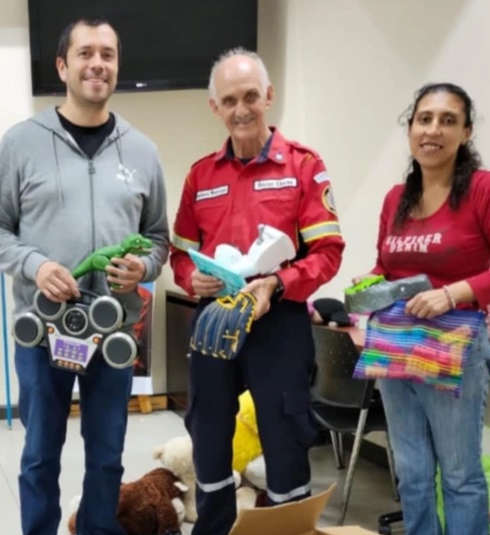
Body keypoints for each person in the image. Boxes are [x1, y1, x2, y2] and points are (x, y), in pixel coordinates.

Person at [0, 17, 170, 535]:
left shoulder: (143, 151)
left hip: (113, 336)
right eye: (85, 53)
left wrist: (143, 267)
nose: (97, 64)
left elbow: (157, 238)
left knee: (106, 456)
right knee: (41, 454)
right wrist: (37, 265)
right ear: (63, 65)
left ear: (117, 66)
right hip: (42, 332)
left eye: (107, 54)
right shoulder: (21, 143)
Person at [169, 47, 345, 535]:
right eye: (229, 100)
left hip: (279, 321)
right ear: (215, 108)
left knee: (285, 435)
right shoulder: (200, 175)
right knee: (207, 433)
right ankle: (214, 527)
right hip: (215, 320)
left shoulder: (305, 166)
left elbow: (328, 252)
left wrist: (279, 282)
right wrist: (190, 278)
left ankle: (287, 529)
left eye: (250, 96)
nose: (241, 109)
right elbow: (180, 254)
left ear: (269, 96)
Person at [354, 83, 490, 535]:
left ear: (466, 132)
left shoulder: (485, 190)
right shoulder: (396, 198)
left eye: (448, 120)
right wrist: (370, 283)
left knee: (459, 476)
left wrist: (454, 293)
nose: (433, 130)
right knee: (412, 475)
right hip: (398, 347)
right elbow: (386, 264)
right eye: (424, 119)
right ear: (411, 128)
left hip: (456, 349)